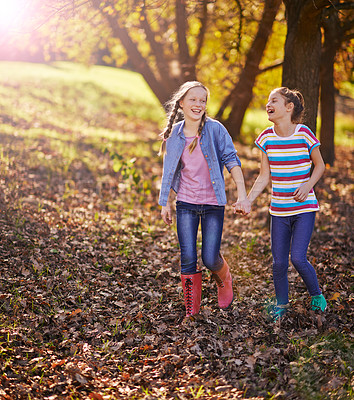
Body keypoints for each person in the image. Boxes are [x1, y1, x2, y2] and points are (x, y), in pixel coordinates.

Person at [158, 81, 251, 318]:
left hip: (212, 204)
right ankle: (192, 309)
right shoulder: (175, 135)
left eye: (202, 100)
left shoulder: (216, 129)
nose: (198, 104)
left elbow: (232, 161)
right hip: (186, 204)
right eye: (193, 99)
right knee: (187, 257)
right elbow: (168, 171)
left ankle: (224, 278)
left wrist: (242, 195)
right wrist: (165, 202)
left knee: (210, 257)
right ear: (181, 103)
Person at [235, 87, 327, 320]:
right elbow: (264, 176)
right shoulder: (266, 138)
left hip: (304, 208)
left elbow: (320, 166)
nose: (268, 103)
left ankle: (316, 295)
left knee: (297, 257)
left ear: (289, 107)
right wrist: (247, 200)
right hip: (279, 210)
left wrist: (307, 186)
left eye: (273, 100)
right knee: (278, 263)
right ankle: (282, 305)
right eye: (267, 100)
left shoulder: (304, 134)